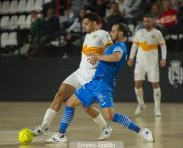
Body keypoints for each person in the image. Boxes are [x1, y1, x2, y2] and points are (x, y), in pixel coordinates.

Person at [46, 23, 153, 143]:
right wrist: (96, 57)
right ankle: (61, 135)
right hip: (94, 82)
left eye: (113, 31)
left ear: (120, 33)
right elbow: (107, 58)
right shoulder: (113, 46)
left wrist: (97, 56)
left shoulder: (120, 46)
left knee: (110, 116)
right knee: (70, 103)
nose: (111, 33)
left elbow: (116, 57)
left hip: (103, 85)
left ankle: (142, 131)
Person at [32, 12, 113, 140]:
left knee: (86, 107)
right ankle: (44, 127)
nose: (84, 26)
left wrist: (99, 57)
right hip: (80, 72)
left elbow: (111, 51)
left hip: (92, 74)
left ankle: (105, 128)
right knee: (59, 94)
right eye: (83, 24)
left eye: (86, 23)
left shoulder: (103, 34)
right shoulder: (87, 36)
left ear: (94, 22)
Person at [127, 15, 167, 117]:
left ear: (152, 22)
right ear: (143, 23)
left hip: (153, 63)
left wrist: (163, 58)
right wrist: (131, 58)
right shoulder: (139, 33)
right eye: (145, 21)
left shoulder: (157, 33)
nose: (146, 23)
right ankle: (141, 104)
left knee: (155, 85)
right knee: (137, 85)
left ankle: (157, 109)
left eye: (148, 21)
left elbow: (163, 46)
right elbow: (134, 46)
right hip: (140, 63)